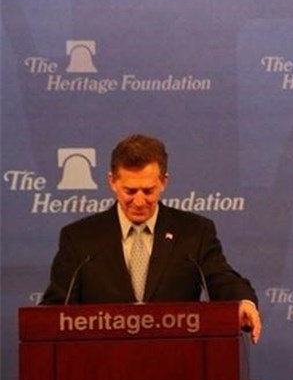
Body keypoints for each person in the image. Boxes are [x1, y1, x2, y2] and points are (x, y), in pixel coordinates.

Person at [41, 134, 262, 344]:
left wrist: (244, 303)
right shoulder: (80, 238)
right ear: (112, 182)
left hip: (178, 360)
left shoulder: (194, 232)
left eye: (148, 191)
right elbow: (57, 307)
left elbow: (221, 279)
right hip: (100, 362)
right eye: (130, 191)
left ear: (164, 182)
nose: (139, 201)